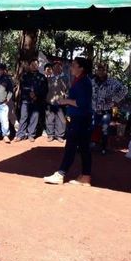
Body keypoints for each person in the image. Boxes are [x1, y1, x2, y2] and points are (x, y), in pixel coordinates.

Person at [44, 57, 93, 186]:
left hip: (79, 119)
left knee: (71, 146)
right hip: (82, 118)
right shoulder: (81, 80)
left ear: (81, 68)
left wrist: (65, 101)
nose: (71, 67)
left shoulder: (83, 82)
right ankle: (86, 176)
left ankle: (60, 174)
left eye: (74, 65)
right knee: (84, 148)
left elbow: (81, 103)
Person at [92, 64, 128, 154]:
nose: (100, 72)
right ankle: (93, 144)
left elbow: (124, 90)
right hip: (94, 109)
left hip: (106, 110)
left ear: (106, 71)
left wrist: (115, 100)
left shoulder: (112, 82)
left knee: (105, 128)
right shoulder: (92, 81)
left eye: (103, 70)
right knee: (92, 127)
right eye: (98, 70)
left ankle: (104, 147)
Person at [15, 58, 48, 142]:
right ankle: (20, 134)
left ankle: (31, 134)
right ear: (29, 66)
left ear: (38, 66)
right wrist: (30, 92)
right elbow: (22, 87)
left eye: (36, 64)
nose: (34, 66)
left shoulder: (42, 77)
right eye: (32, 64)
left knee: (34, 118)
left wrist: (36, 95)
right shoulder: (24, 76)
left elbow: (45, 89)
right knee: (23, 117)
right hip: (25, 99)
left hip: (37, 100)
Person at [44, 62, 68, 142]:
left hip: (61, 102)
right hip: (50, 101)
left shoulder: (65, 77)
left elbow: (68, 89)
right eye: (55, 66)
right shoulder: (49, 77)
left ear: (61, 68)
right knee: (49, 119)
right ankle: (50, 135)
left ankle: (59, 135)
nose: (57, 68)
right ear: (53, 68)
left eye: (59, 66)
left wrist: (66, 97)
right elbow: (44, 88)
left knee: (61, 120)